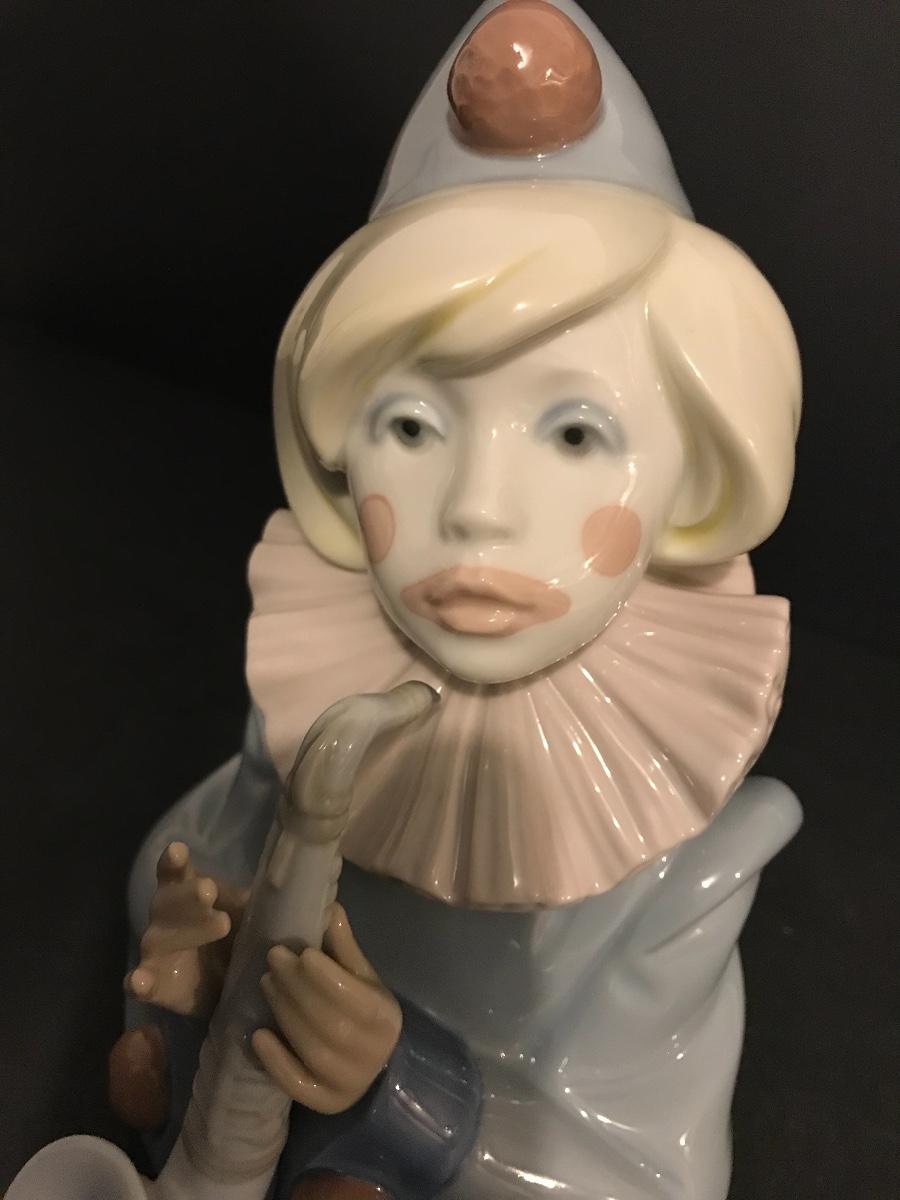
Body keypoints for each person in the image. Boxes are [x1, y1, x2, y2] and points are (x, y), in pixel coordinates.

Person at [114, 4, 802, 1198]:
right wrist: (190, 936)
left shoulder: (681, 870)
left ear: (693, 473)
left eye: (576, 435)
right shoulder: (315, 703)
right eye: (413, 426)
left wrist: (402, 1080)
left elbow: (648, 1180)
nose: (479, 509)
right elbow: (186, 855)